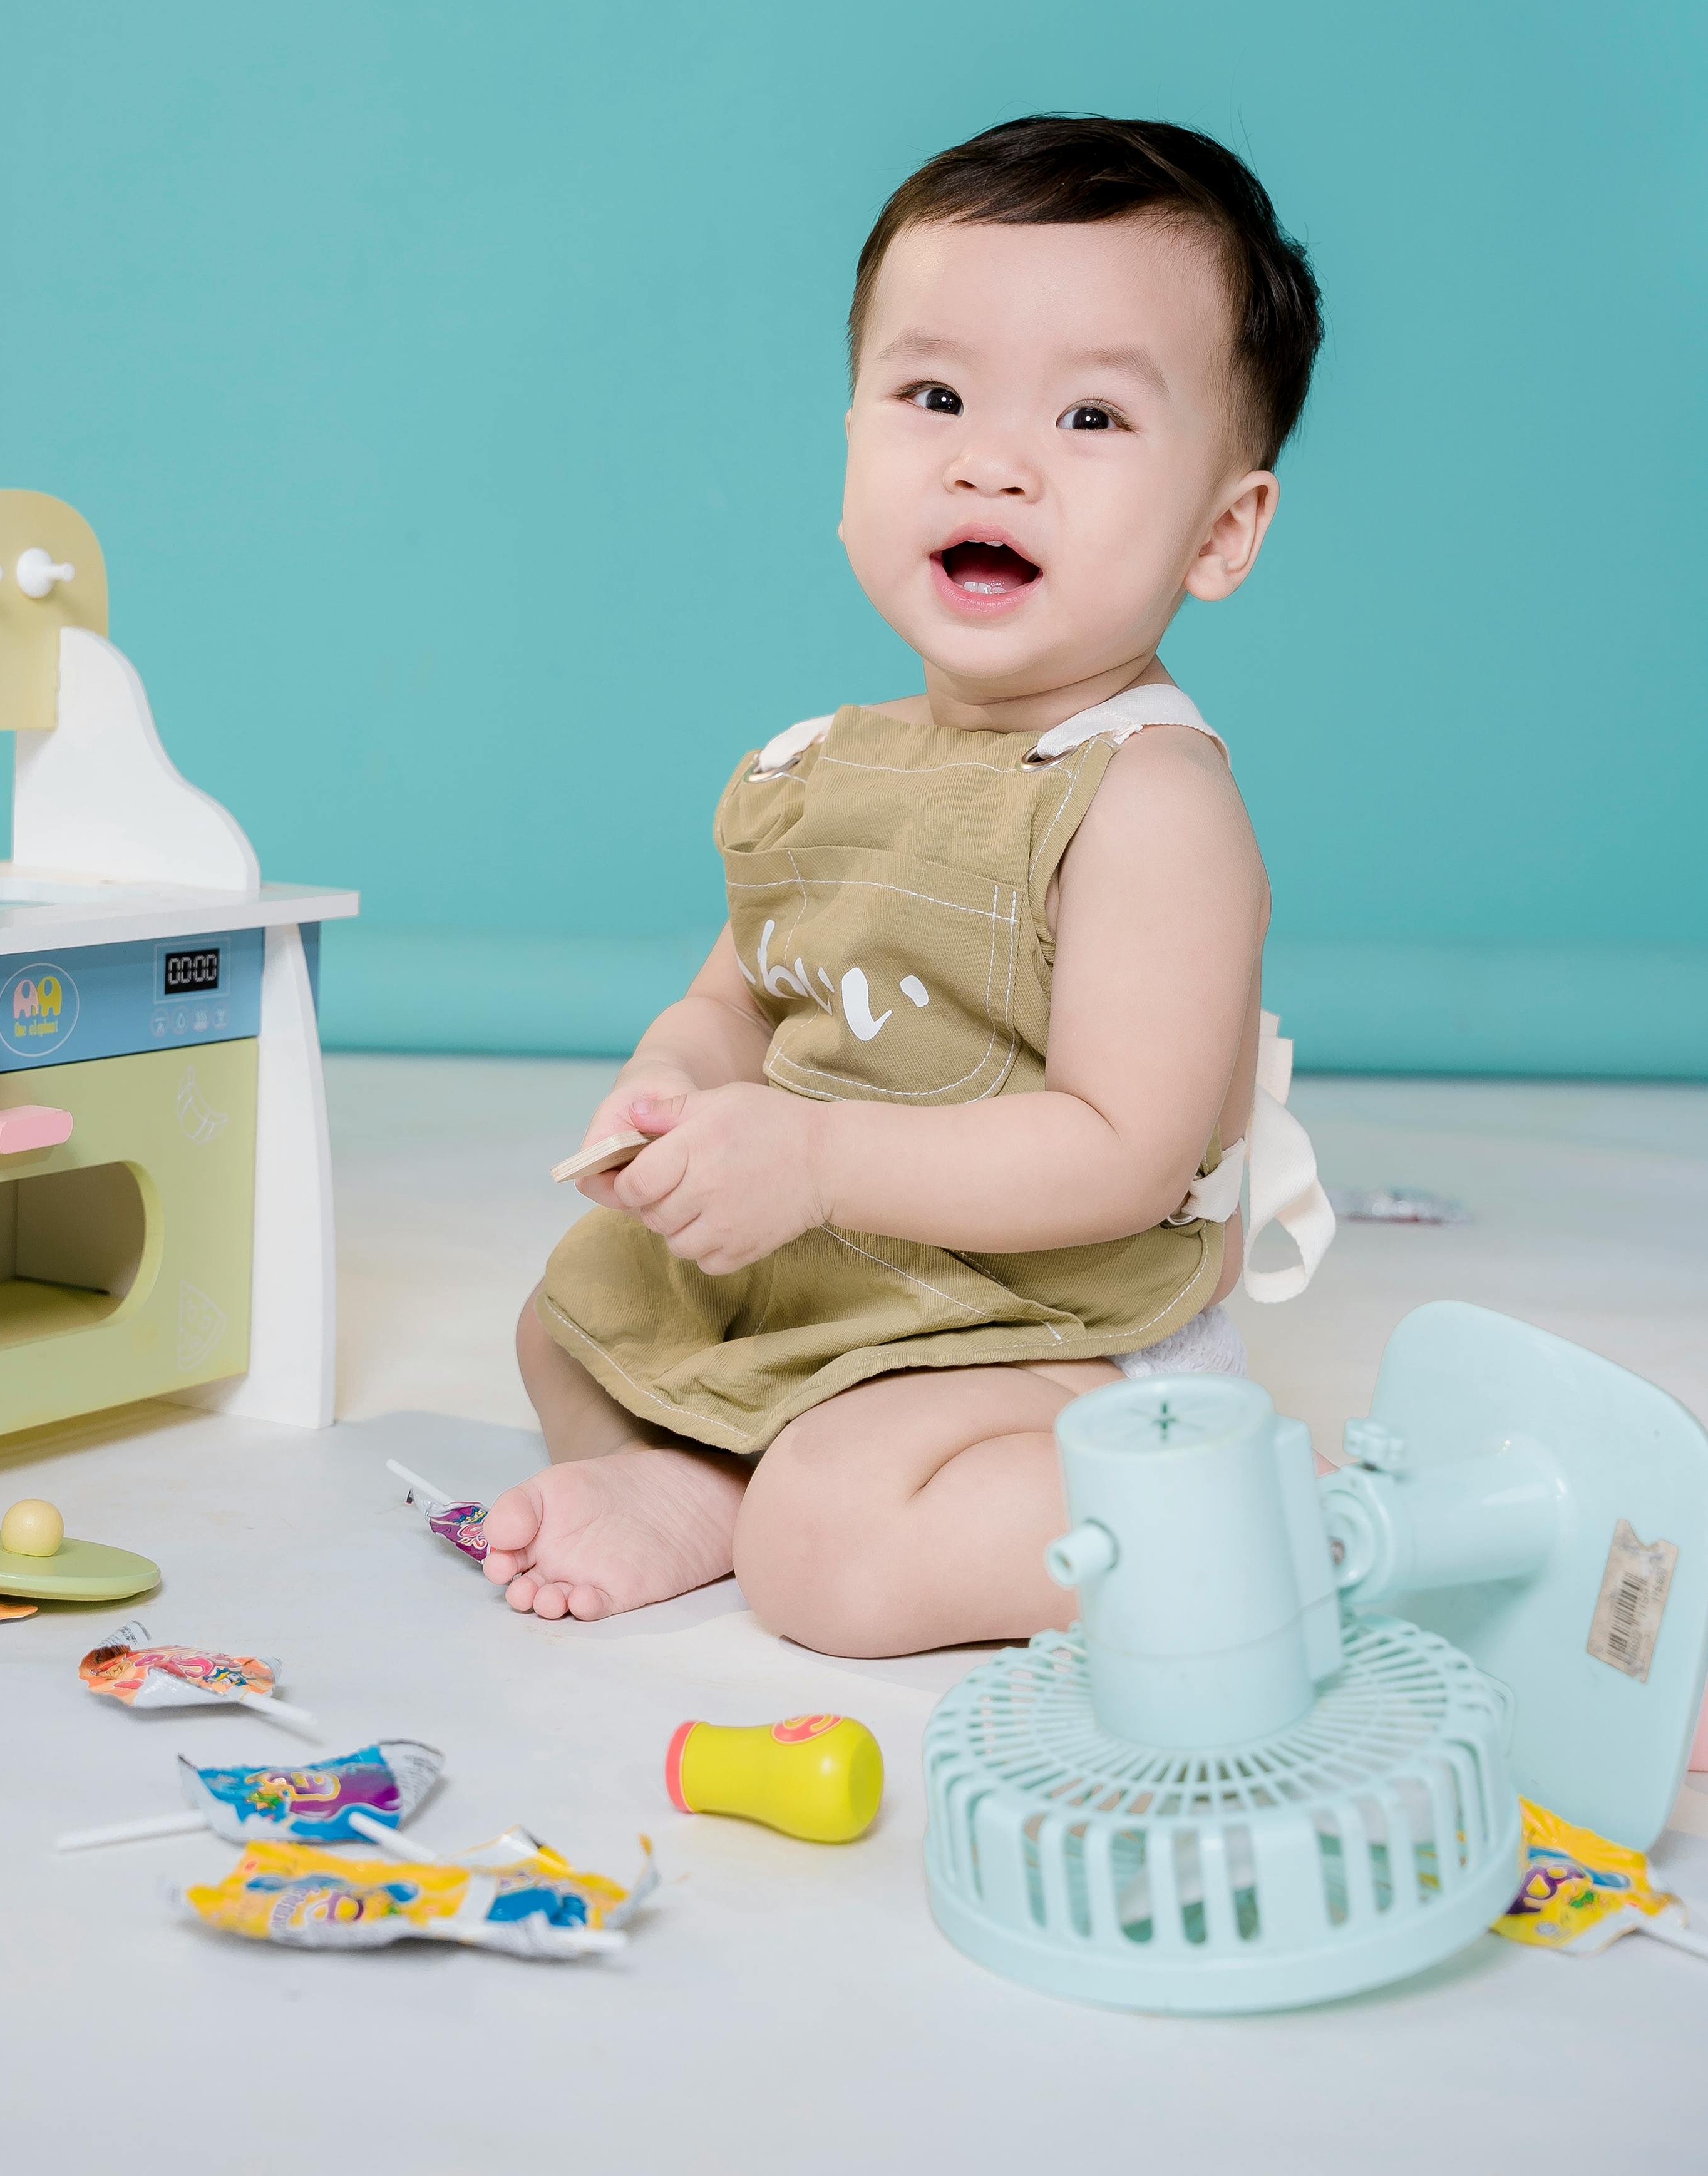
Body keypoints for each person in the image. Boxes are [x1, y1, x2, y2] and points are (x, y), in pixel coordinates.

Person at [482, 114, 1331, 1655]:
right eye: (932, 394)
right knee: (569, 1325)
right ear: (848, 453)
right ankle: (703, 1481)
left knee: (837, 1551)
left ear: (1220, 531)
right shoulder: (824, 761)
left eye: (1088, 418)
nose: (988, 459)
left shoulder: (1148, 797)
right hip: (852, 1275)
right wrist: (676, 1078)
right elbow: (748, 986)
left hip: (1047, 1316)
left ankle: (1270, 1530)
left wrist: (808, 1163)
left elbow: (1119, 1156)